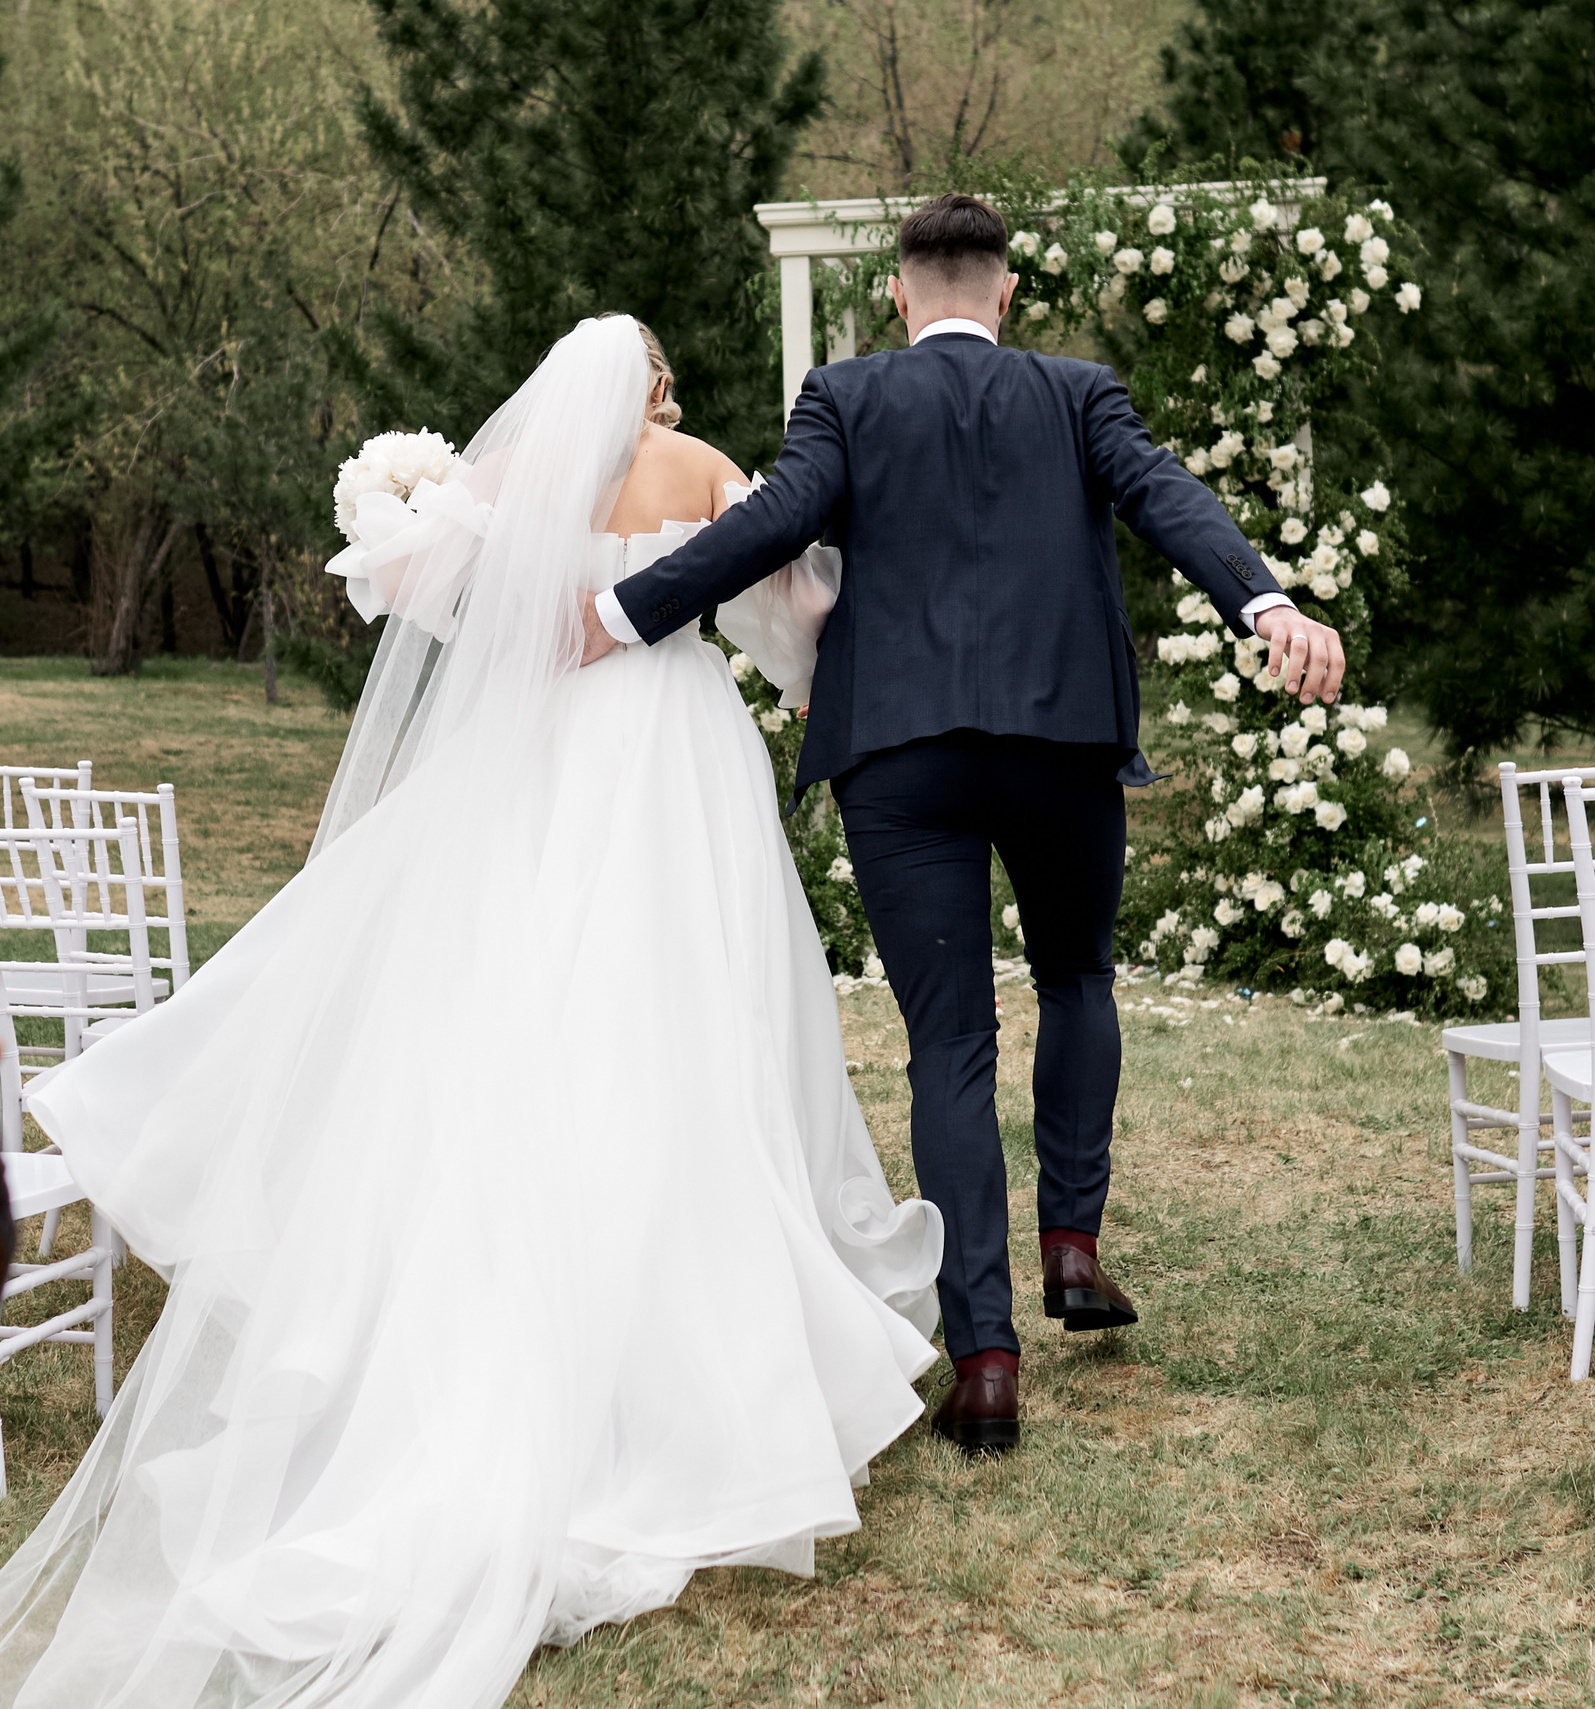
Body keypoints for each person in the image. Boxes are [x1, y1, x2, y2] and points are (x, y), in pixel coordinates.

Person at [0, 315, 943, 1706]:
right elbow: (791, 612)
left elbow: (413, 586)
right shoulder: (701, 473)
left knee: (524, 1001)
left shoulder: (514, 487)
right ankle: (699, 1336)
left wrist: (400, 511)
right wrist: (809, 680)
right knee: (693, 1015)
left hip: (548, 754)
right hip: (676, 751)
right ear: (657, 389)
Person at [589, 193, 1345, 1455]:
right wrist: (1263, 604)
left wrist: (621, 613)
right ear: (1004, 293)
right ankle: (1072, 1246)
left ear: (899, 293)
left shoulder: (843, 395)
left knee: (948, 1040)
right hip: (1061, 742)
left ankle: (984, 1364)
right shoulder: (1078, 391)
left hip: (901, 755)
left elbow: (775, 519)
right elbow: (1165, 497)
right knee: (1076, 976)